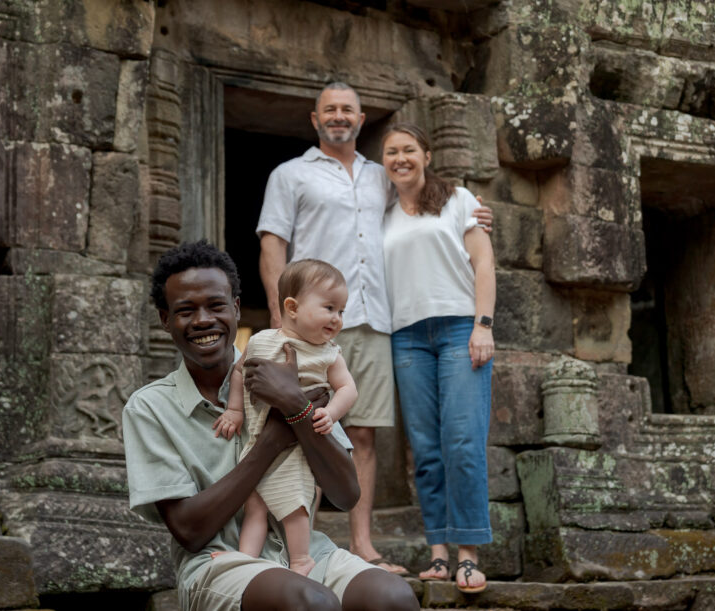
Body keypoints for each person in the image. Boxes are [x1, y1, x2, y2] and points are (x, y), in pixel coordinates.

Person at [256, 81, 492, 573]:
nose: (339, 116)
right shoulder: (290, 174)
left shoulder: (378, 175)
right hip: (310, 326)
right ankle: (301, 549)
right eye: (330, 109)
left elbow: (425, 192)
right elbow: (273, 247)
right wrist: (281, 317)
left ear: (362, 120)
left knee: (363, 435)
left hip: (376, 322)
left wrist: (474, 210)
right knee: (303, 429)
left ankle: (363, 546)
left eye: (348, 109)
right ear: (315, 118)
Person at [123, 241, 418, 611]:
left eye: (216, 306)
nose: (202, 320)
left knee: (393, 597)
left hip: (305, 553)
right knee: (310, 602)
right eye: (185, 311)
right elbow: (190, 531)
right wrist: (275, 437)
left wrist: (295, 405)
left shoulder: (297, 363)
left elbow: (345, 496)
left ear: (235, 308)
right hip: (219, 564)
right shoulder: (150, 408)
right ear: (165, 320)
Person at [380, 123, 495, 593]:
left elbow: (483, 263)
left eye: (409, 150)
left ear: (426, 155)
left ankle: (469, 555)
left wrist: (482, 325)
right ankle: (439, 555)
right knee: (426, 451)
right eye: (390, 152)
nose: (400, 158)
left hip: (457, 330)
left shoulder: (460, 200)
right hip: (405, 337)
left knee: (463, 442)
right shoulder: (381, 212)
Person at [213, 259, 359, 576]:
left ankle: (300, 559)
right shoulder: (262, 341)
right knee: (255, 505)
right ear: (292, 307)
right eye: (330, 308)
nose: (337, 319)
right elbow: (239, 371)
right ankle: (245, 562)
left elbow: (348, 388)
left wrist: (331, 413)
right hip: (258, 438)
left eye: (341, 311)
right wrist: (234, 410)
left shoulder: (328, 353)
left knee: (294, 503)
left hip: (297, 447)